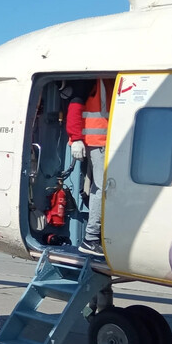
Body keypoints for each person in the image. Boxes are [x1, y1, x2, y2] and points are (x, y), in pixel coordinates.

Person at [66, 78, 113, 257]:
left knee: (100, 187)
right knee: (102, 187)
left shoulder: (107, 80)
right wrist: (76, 138)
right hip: (96, 142)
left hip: (105, 141)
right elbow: (75, 106)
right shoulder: (89, 80)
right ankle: (91, 238)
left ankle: (96, 236)